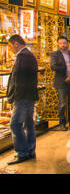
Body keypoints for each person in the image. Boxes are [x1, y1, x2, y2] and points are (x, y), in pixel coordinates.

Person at [6, 35, 38, 165]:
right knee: (28, 122)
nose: (10, 49)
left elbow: (19, 80)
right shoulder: (28, 55)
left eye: (9, 46)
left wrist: (13, 96)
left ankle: (22, 152)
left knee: (15, 124)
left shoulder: (23, 57)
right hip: (28, 95)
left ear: (15, 44)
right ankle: (30, 150)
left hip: (22, 96)